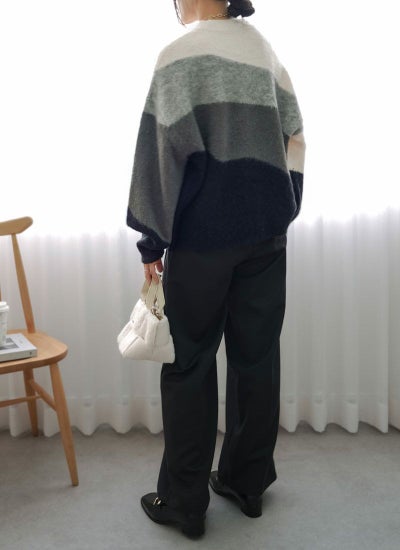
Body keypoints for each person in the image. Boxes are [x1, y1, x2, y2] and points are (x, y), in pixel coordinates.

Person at [126, 0, 306, 539]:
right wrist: (284, 206)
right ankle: (247, 483)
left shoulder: (180, 56)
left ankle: (184, 503)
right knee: (257, 359)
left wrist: (152, 239)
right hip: (265, 237)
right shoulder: (263, 51)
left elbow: (160, 154)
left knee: (188, 363)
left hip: (203, 242)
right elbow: (295, 139)